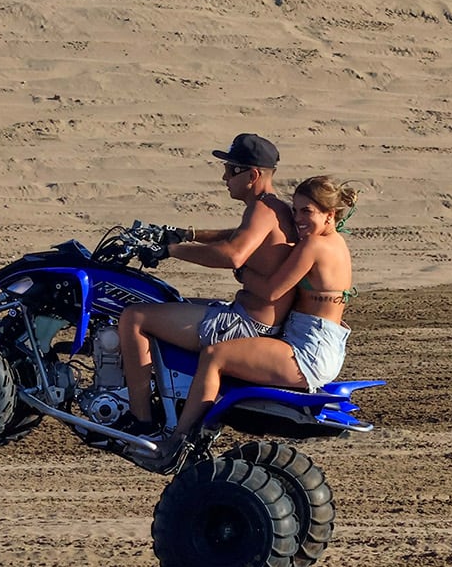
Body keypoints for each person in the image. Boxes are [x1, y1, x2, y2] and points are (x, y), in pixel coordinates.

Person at [154, 175, 357, 458]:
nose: (298, 219)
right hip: (323, 343)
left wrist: (240, 268)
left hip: (307, 350)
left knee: (215, 355)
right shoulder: (333, 243)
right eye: (295, 210)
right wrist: (192, 235)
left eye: (306, 212)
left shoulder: (313, 246)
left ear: (330, 214)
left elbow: (272, 291)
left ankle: (178, 440)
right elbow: (242, 234)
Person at [116, 134, 297, 437]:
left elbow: (234, 253)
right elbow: (236, 235)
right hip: (253, 319)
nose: (224, 177)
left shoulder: (261, 211)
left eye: (231, 169)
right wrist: (184, 234)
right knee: (168, 299)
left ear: (252, 175)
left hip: (245, 324)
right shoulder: (274, 208)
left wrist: (170, 251)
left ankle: (141, 421)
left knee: (134, 317)